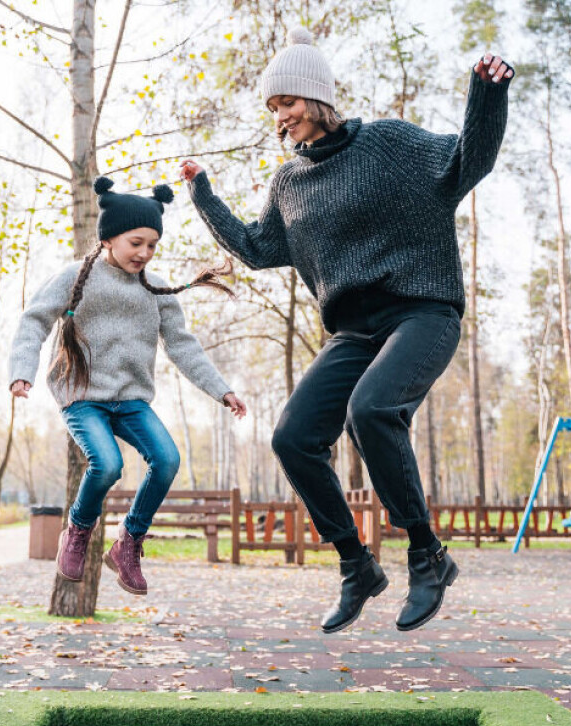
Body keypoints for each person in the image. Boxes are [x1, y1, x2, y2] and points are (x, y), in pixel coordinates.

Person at [179, 26, 513, 635]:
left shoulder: (389, 144)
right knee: (293, 438)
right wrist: (203, 193)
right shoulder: (289, 184)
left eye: (288, 103)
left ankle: (427, 556)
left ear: (318, 96)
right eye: (273, 109)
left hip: (421, 312)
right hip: (352, 334)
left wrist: (486, 94)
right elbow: (256, 249)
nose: (281, 118)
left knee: (372, 411)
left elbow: (469, 159)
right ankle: (357, 567)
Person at [8, 177, 247, 595]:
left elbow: (183, 346)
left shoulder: (156, 290)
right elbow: (34, 320)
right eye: (136, 242)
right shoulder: (74, 277)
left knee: (167, 460)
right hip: (82, 398)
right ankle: (78, 531)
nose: (144, 253)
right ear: (109, 239)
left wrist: (222, 390)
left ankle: (128, 542)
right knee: (108, 463)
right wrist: (21, 370)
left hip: (132, 400)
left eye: (152, 245)